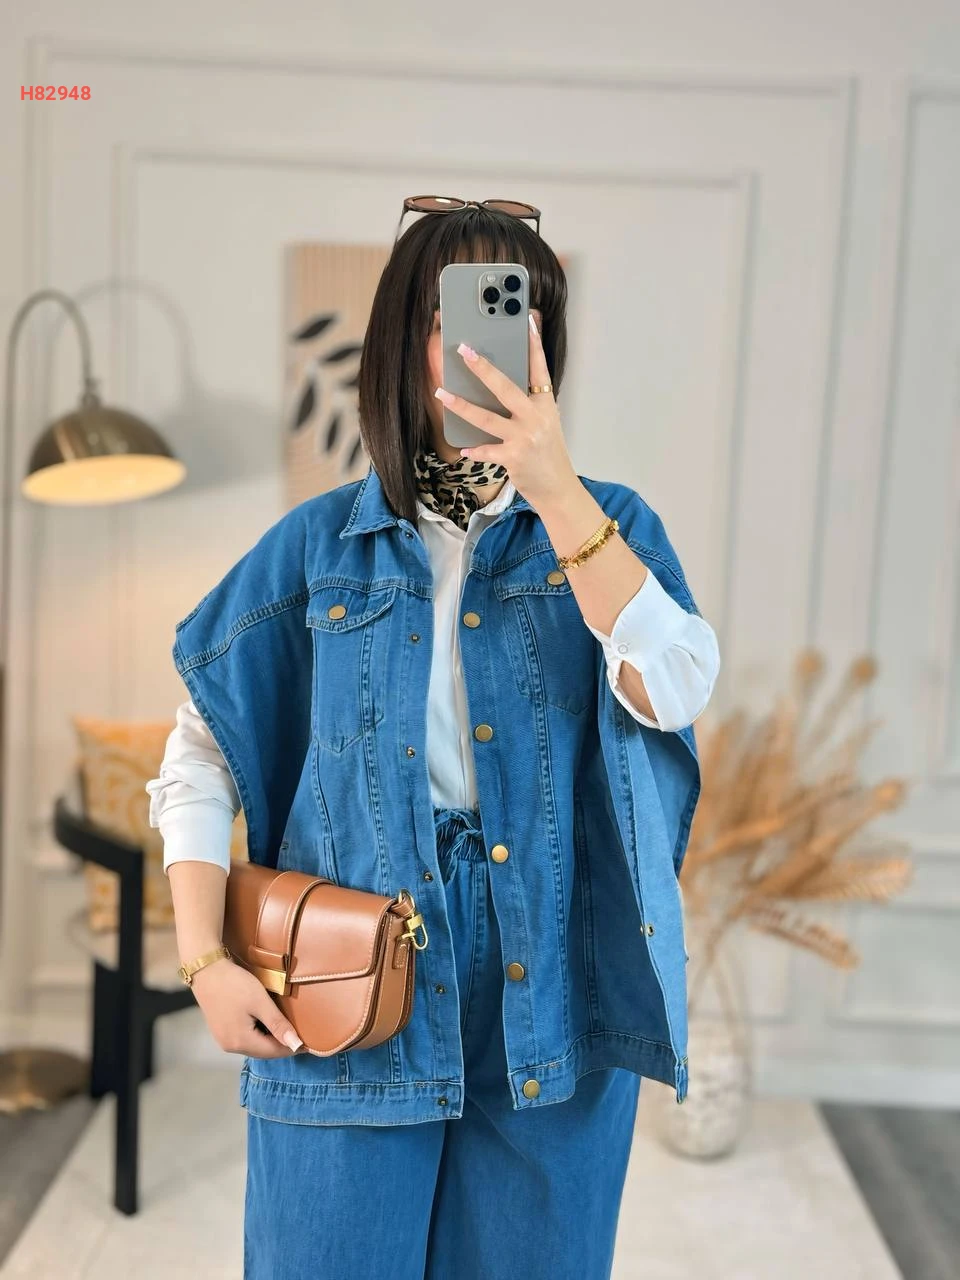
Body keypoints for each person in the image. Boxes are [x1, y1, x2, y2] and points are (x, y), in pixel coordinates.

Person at [146, 197, 720, 1280]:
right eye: (457, 316)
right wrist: (204, 958)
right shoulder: (317, 546)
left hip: (549, 984)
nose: (487, 348)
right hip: (348, 975)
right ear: (403, 338)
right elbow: (199, 753)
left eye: (517, 316)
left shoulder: (607, 526)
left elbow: (678, 683)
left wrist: (556, 492)